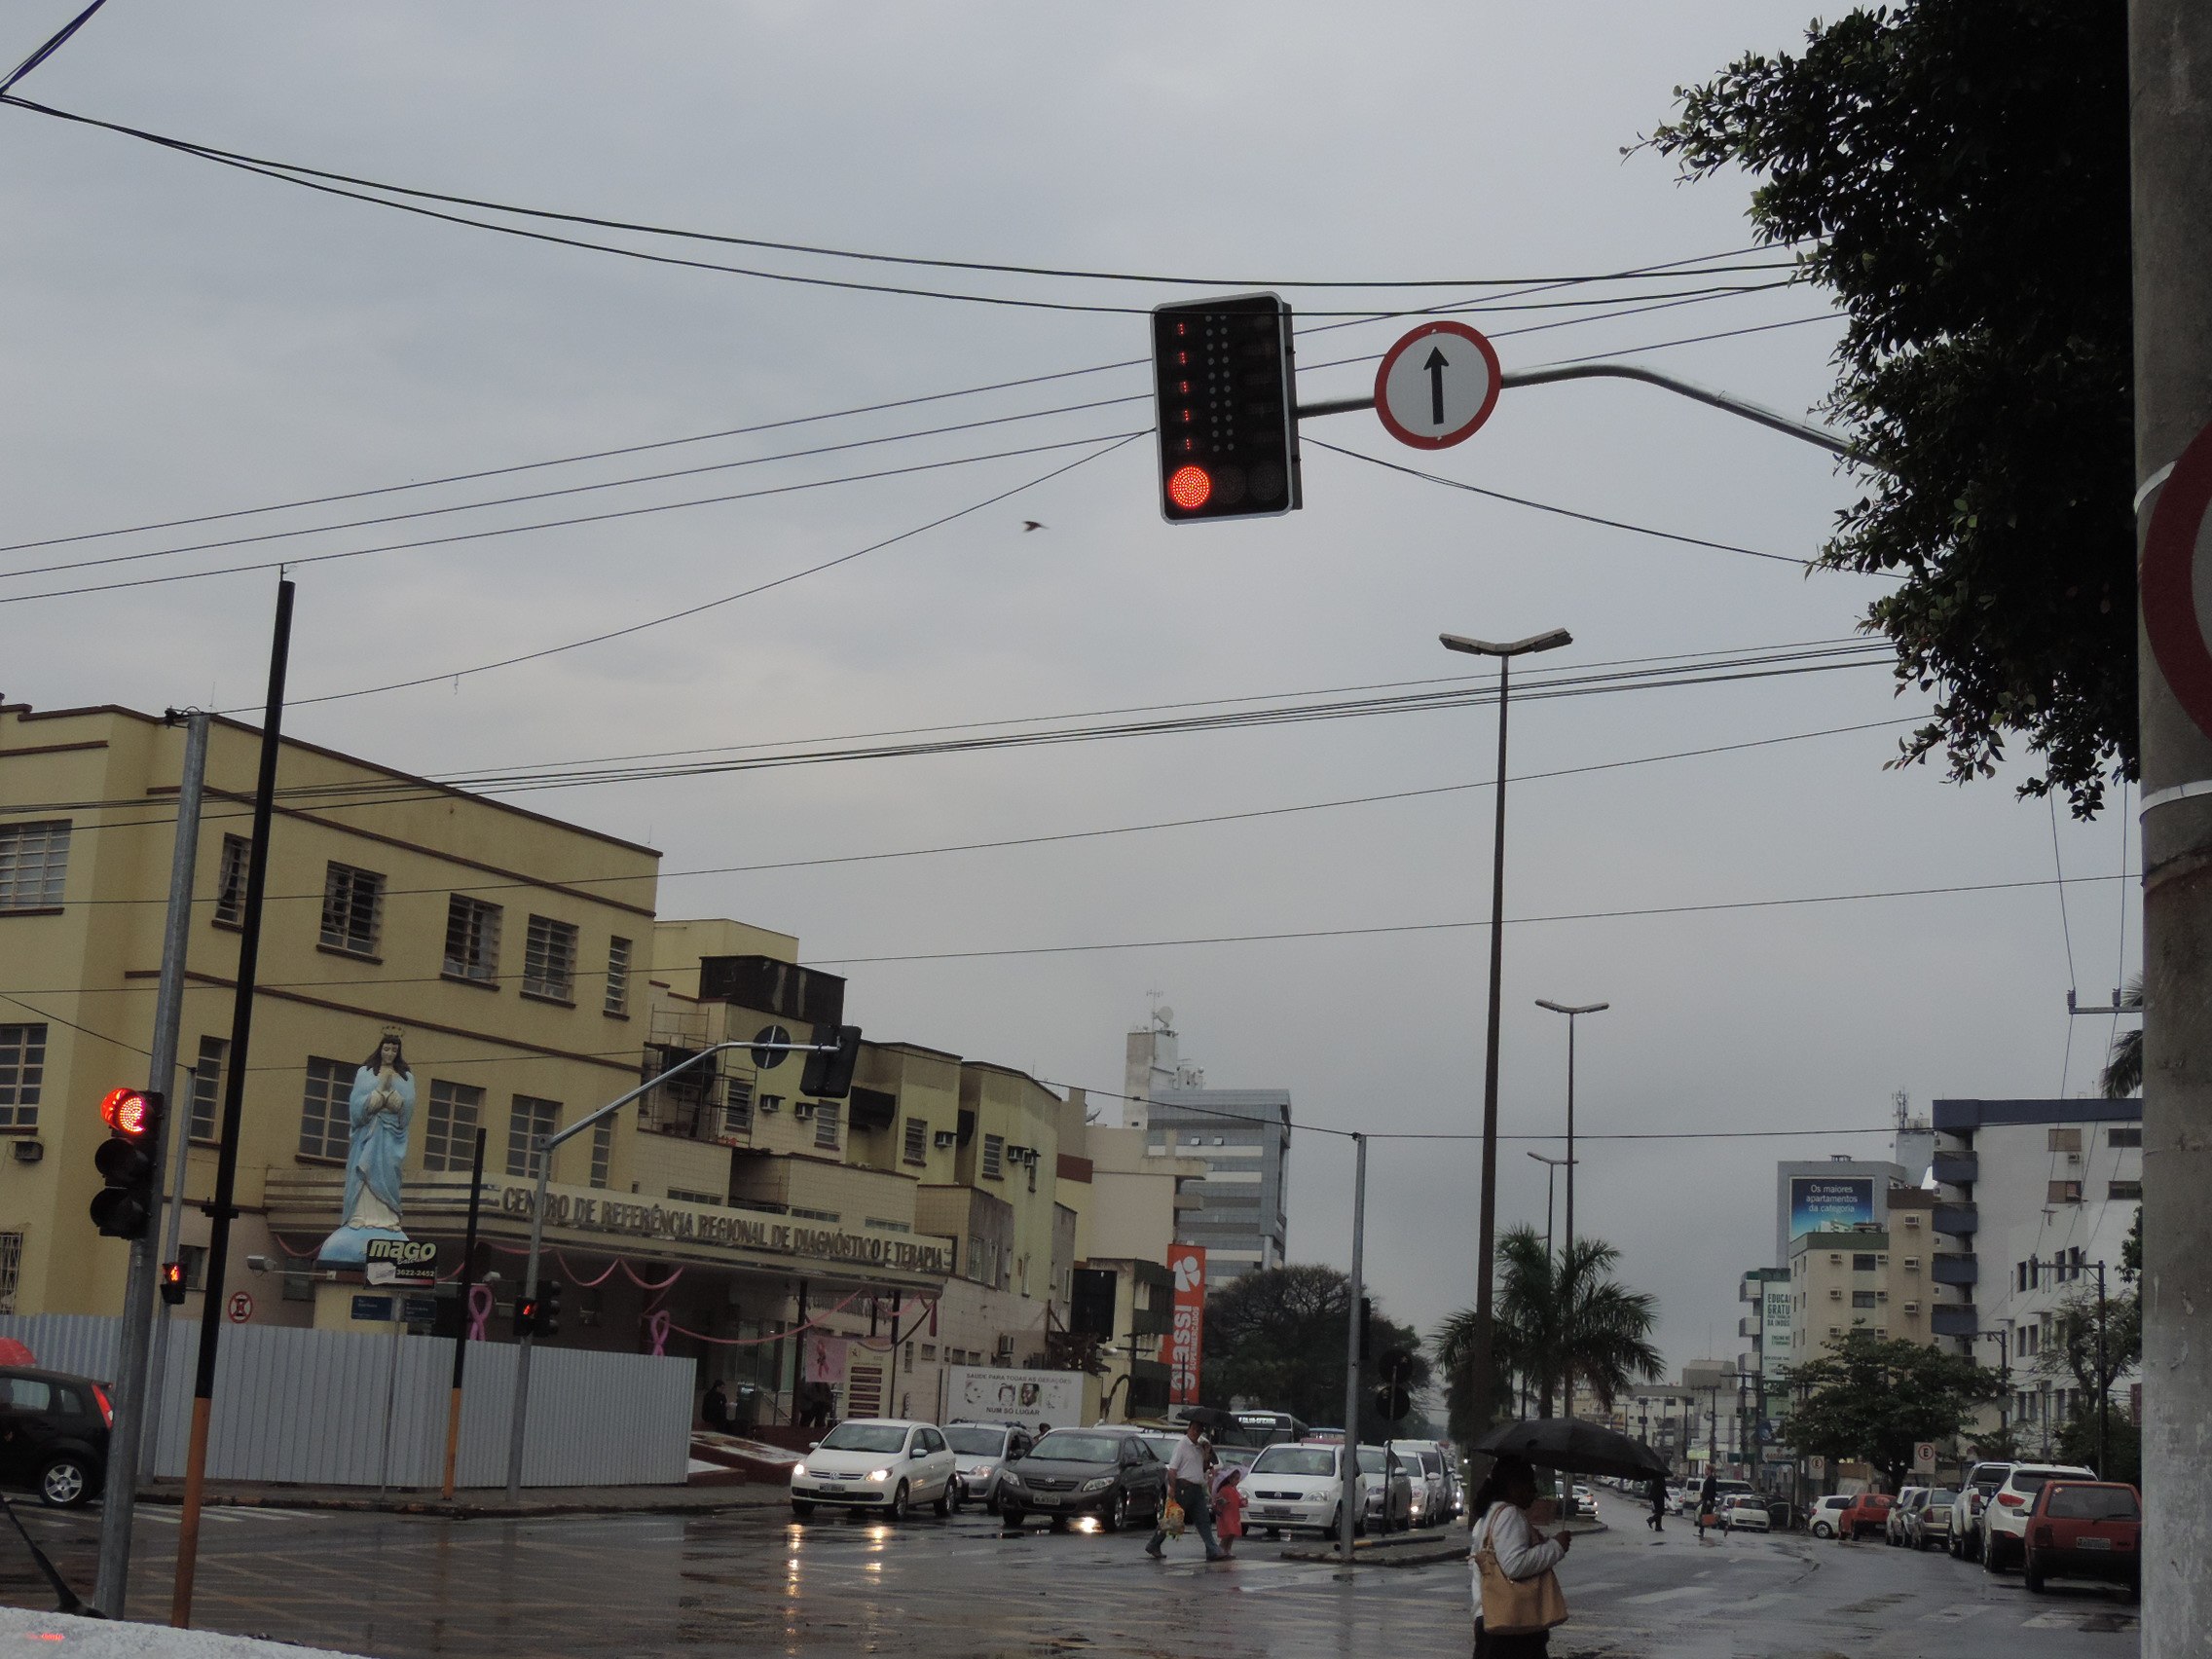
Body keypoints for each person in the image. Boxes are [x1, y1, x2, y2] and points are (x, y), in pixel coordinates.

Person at [1470, 1456, 1571, 1657]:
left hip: (1491, 1618)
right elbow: (1514, 1565)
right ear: (1513, 1486)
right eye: (1530, 1484)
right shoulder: (1509, 1515)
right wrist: (1556, 1547)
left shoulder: (1488, 1515)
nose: (1534, 1492)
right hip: (1513, 1624)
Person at [1146, 1419, 1228, 1563]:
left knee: (1204, 1520)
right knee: (1173, 1520)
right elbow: (1172, 1470)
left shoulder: (1199, 1447)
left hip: (1197, 1489)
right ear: (1189, 1429)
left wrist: (1207, 1453)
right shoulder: (1182, 1445)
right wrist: (1172, 1488)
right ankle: (1154, 1544)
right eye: (1194, 1429)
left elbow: (1203, 1468)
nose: (1196, 1432)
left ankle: (1212, 1549)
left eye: (1199, 1430)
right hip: (1183, 1487)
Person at [1210, 1464, 1246, 1556]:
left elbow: (1238, 1501)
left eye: (1238, 1479)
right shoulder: (1224, 1489)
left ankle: (1228, 1549)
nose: (1237, 1481)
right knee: (1228, 1532)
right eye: (1236, 1479)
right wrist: (1222, 1502)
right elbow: (1218, 1500)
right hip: (1226, 1514)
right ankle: (1222, 1547)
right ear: (1230, 1479)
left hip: (1234, 1514)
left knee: (1232, 1533)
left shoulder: (1234, 1490)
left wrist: (1243, 1502)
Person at [1696, 1472, 1718, 1540]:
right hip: (1706, 1500)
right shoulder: (1709, 1479)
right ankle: (1701, 1530)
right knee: (1703, 1515)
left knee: (1705, 1515)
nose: (1705, 1471)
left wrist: (1709, 1499)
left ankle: (1702, 1530)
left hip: (1708, 1500)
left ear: (1709, 1470)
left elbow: (1711, 1491)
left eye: (1706, 1469)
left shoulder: (1711, 1480)